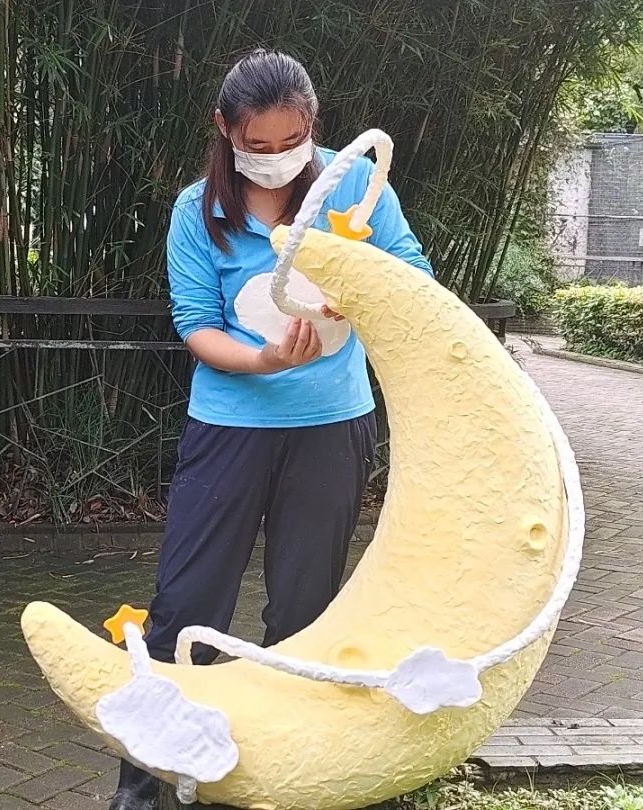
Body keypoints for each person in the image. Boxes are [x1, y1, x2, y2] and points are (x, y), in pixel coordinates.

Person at [109, 48, 434, 810]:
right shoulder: (197, 210)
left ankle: (291, 779)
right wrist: (261, 361)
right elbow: (196, 324)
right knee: (186, 607)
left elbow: (411, 274)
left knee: (304, 614)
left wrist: (362, 291)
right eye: (258, 145)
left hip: (332, 428)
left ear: (314, 126)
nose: (278, 158)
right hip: (229, 427)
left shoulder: (355, 185)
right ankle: (143, 787)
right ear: (225, 129)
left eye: (293, 141)